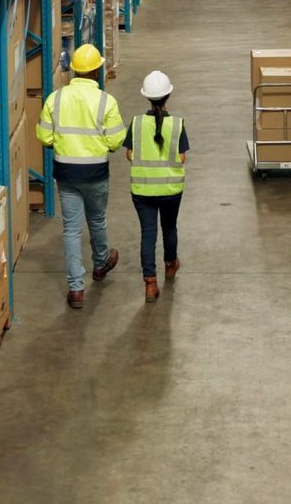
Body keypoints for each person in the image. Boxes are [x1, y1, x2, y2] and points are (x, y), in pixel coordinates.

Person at [35, 44, 125, 309]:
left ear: (73, 71)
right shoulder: (106, 102)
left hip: (66, 173)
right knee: (96, 219)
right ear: (97, 71)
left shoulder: (56, 99)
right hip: (96, 172)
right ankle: (100, 264)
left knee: (71, 229)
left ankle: (76, 289)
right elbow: (116, 140)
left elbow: (43, 136)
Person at [124, 69, 190, 303]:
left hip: (142, 190)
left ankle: (150, 283)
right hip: (171, 190)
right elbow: (181, 158)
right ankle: (170, 265)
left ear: (146, 97)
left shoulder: (137, 123)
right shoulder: (177, 124)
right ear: (168, 96)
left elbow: (130, 154)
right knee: (169, 228)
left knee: (148, 234)